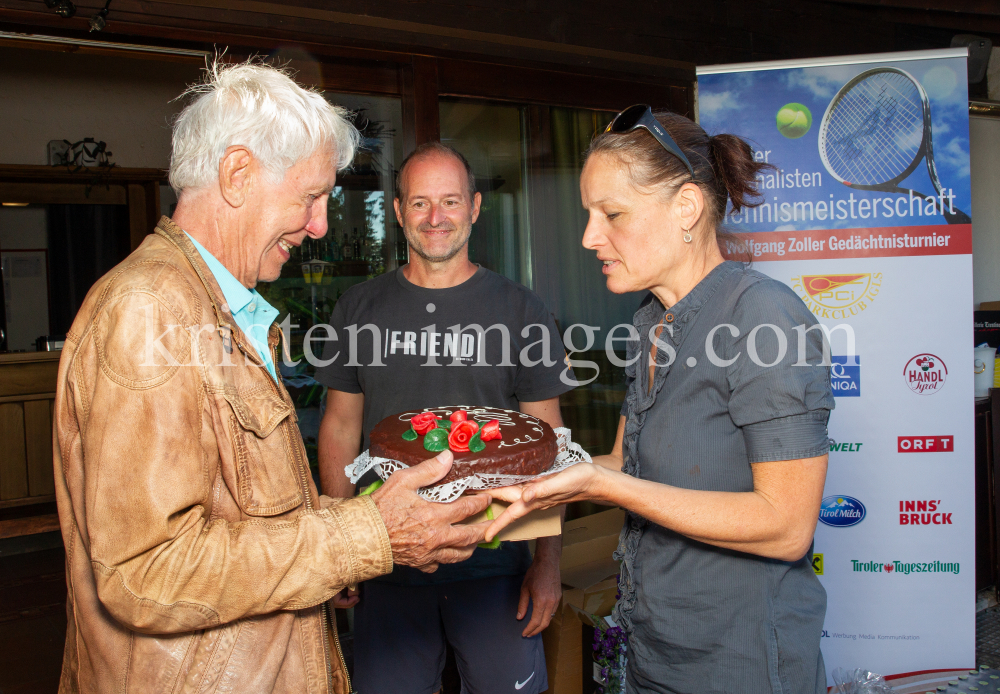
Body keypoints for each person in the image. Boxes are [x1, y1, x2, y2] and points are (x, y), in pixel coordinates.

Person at [52, 62, 492, 694]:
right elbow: (146, 572)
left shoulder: (219, 308)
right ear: (237, 174)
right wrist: (362, 535)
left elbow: (238, 509)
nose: (318, 226)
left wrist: (340, 540)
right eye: (310, 197)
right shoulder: (149, 310)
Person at [487, 106, 835, 694]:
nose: (589, 237)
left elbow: (786, 525)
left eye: (612, 214)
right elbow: (625, 465)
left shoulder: (763, 317)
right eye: (589, 215)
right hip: (653, 649)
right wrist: (510, 481)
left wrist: (601, 487)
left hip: (740, 661)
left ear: (687, 208)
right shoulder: (652, 322)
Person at [316, 141, 572, 694]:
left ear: (475, 208)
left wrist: (547, 564)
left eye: (451, 202)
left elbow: (549, 447)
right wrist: (341, 548)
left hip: (497, 558)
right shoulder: (357, 309)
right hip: (390, 556)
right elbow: (339, 427)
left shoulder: (522, 311)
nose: (436, 218)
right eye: (420, 203)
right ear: (400, 209)